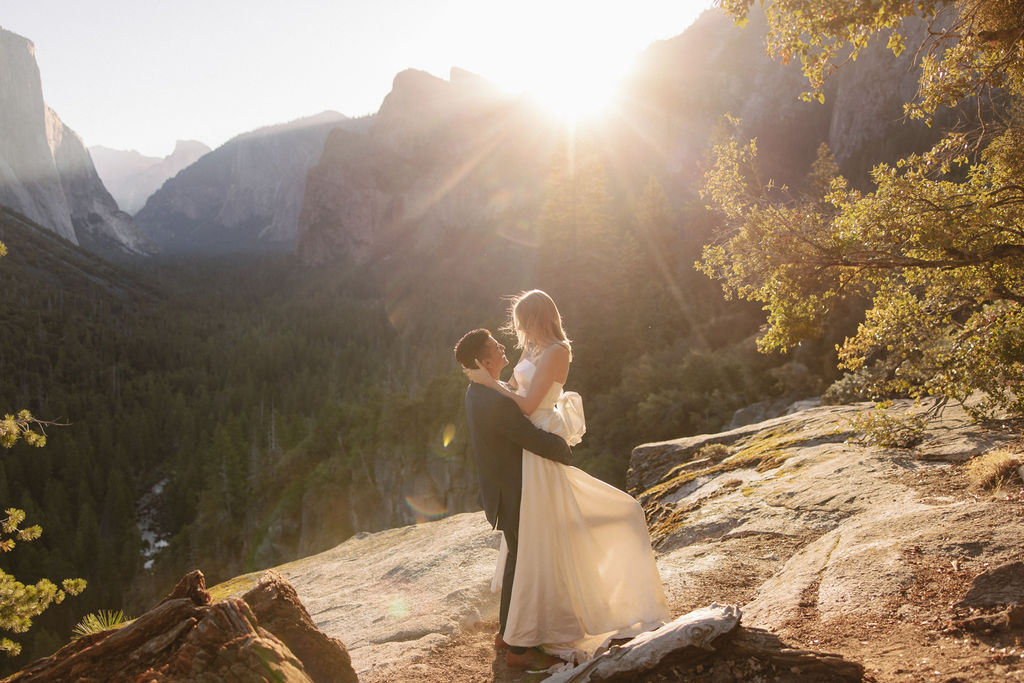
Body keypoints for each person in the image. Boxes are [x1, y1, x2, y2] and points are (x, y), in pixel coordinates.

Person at [466, 290, 669, 664]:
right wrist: (494, 384)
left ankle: (533, 629)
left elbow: (526, 405)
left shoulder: (558, 350)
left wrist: (488, 383)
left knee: (574, 528)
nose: (518, 328)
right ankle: (519, 631)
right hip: (527, 453)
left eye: (522, 319)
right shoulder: (530, 350)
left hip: (540, 449)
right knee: (535, 541)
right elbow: (515, 391)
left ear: (538, 317)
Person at [453, 327, 572, 671]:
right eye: (495, 346)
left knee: (518, 561)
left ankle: (507, 633)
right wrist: (564, 447)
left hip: (504, 491)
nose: (502, 347)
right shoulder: (494, 401)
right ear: (482, 361)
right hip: (515, 493)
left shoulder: (480, 391)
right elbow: (530, 437)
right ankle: (520, 649)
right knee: (527, 566)